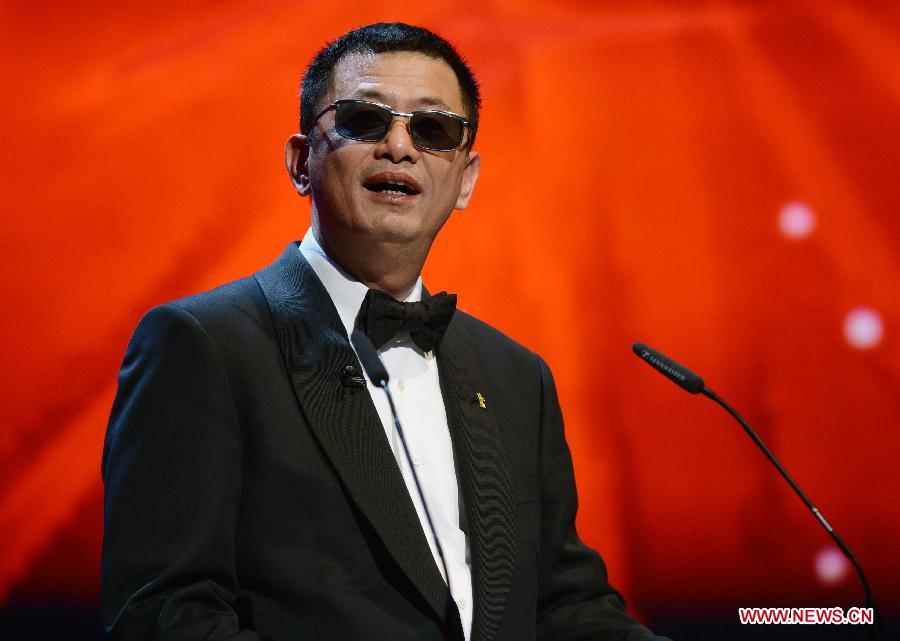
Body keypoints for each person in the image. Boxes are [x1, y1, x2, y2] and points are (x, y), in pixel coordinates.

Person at [102, 22, 669, 641]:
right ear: (300, 162)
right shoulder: (201, 346)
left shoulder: (515, 375)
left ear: (466, 180)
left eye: (433, 130)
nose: (399, 147)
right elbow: (164, 615)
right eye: (365, 120)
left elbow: (566, 607)